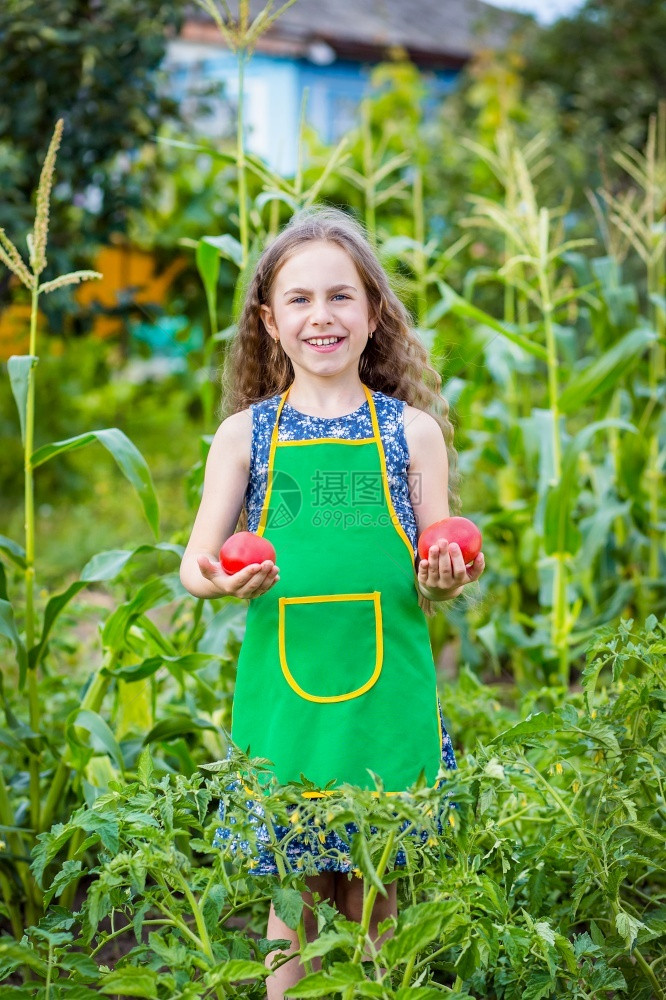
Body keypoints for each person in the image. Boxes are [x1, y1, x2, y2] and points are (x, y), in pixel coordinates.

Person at [179, 206, 485, 997]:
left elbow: (430, 560)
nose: (322, 315)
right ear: (268, 323)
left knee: (375, 895)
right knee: (298, 900)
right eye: (300, 299)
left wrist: (445, 575)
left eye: (342, 296)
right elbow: (195, 564)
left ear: (374, 313)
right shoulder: (246, 437)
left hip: (387, 692)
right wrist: (223, 578)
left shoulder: (412, 432)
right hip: (289, 694)